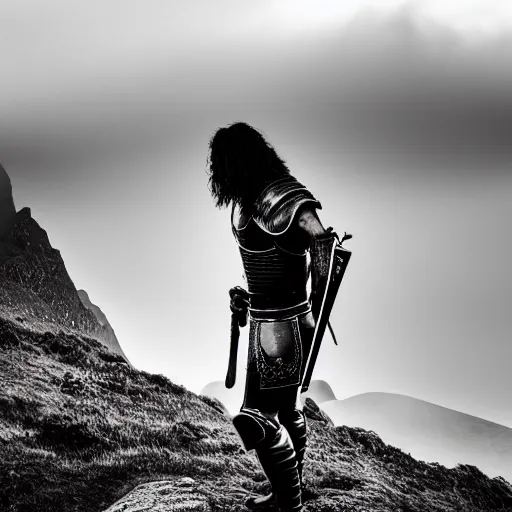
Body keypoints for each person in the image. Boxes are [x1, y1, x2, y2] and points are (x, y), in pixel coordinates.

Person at [207, 122, 342, 512]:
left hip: (282, 330)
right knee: (286, 411)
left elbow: (320, 240)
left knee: (255, 419)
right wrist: (246, 298)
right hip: (270, 323)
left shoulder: (282, 196)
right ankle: (285, 492)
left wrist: (316, 301)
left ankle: (290, 504)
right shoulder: (250, 200)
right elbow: (269, 265)